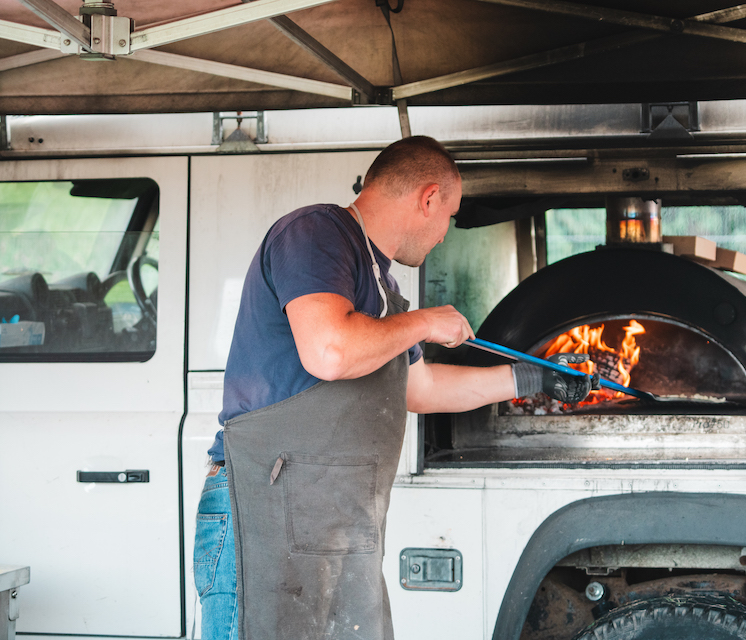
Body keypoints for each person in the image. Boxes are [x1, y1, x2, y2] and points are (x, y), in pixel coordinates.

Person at [193, 136, 592, 640]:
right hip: (262, 513)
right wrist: (424, 322)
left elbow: (419, 389)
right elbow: (330, 351)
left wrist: (534, 378)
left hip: (332, 523)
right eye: (449, 215)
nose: (445, 233)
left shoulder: (386, 288)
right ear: (428, 198)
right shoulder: (316, 233)